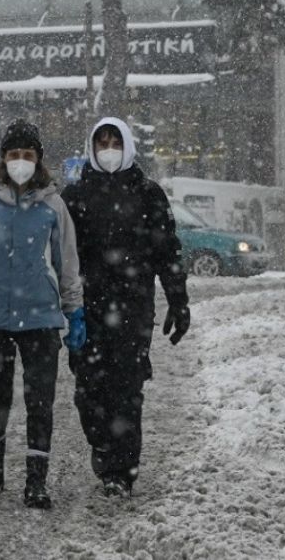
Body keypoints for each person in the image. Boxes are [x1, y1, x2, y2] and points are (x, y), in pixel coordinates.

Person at [0, 119, 85, 510]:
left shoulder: (54, 206)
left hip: (41, 318)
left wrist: (75, 313)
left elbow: (67, 263)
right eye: (13, 154)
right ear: (2, 159)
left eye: (27, 154)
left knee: (41, 401)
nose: (20, 161)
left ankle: (36, 482)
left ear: (38, 159)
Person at [60, 117, 190, 497]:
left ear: (128, 145)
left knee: (127, 390)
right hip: (87, 311)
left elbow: (168, 250)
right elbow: (58, 256)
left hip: (134, 310)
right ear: (92, 148)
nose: (109, 150)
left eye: (115, 142)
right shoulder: (75, 196)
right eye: (102, 143)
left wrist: (178, 299)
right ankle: (102, 446)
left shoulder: (148, 194)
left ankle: (122, 471)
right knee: (88, 390)